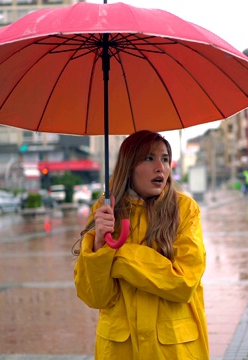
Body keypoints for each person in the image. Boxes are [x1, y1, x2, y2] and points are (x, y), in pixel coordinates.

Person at [73, 130, 209, 359]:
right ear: (129, 166)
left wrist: (117, 255)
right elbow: (94, 297)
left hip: (173, 349)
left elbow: (183, 282)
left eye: (165, 158)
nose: (161, 167)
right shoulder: (105, 212)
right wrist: (98, 246)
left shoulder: (185, 210)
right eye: (149, 158)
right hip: (119, 349)